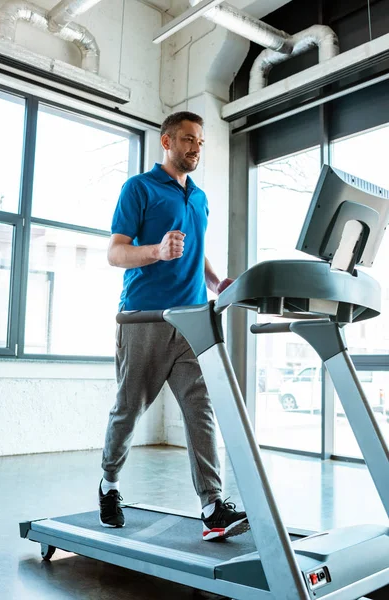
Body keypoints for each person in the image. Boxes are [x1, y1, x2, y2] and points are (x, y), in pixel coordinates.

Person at [99, 111, 249, 542]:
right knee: (128, 410)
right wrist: (157, 252)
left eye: (200, 141)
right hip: (144, 317)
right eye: (187, 139)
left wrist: (216, 281)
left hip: (191, 320)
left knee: (200, 409)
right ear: (166, 142)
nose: (195, 148)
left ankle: (211, 506)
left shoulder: (199, 198)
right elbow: (115, 253)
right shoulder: (139, 188)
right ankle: (109, 484)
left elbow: (194, 251)